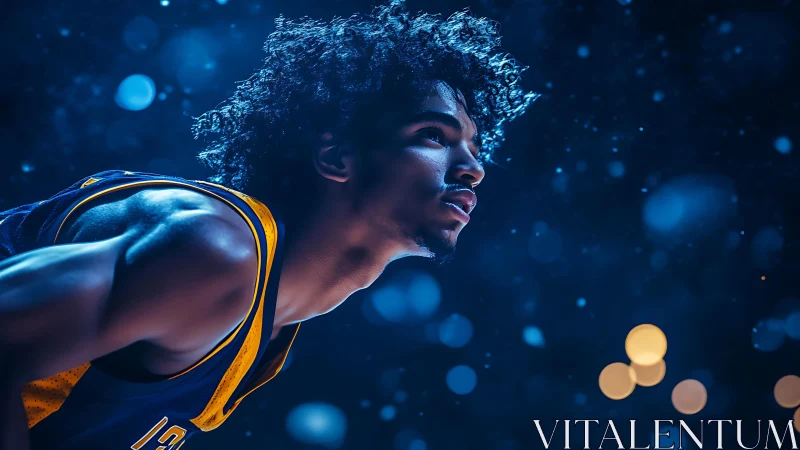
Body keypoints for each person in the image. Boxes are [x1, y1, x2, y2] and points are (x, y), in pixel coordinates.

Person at [0, 1, 536, 448]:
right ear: (337, 159)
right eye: (435, 136)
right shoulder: (215, 252)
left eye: (474, 146)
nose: (473, 167)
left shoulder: (269, 323)